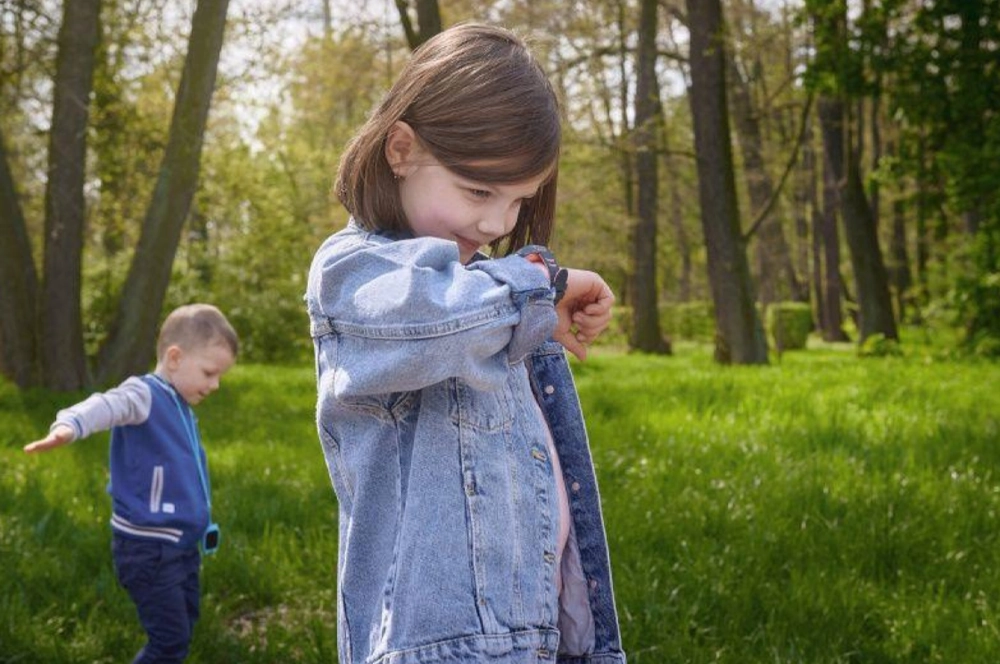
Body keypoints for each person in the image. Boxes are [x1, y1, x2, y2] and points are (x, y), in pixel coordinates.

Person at [306, 23, 627, 664]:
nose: (496, 223)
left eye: (519, 201)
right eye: (479, 191)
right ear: (401, 149)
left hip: (533, 632)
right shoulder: (354, 271)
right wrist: (540, 288)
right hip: (434, 642)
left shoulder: (488, 294)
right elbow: (430, 319)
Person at [24, 303, 238, 664]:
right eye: (209, 373)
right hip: (149, 549)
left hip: (181, 546)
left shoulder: (180, 403)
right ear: (174, 357)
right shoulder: (145, 394)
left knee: (185, 623)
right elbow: (106, 405)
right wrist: (70, 425)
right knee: (168, 643)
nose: (214, 385)